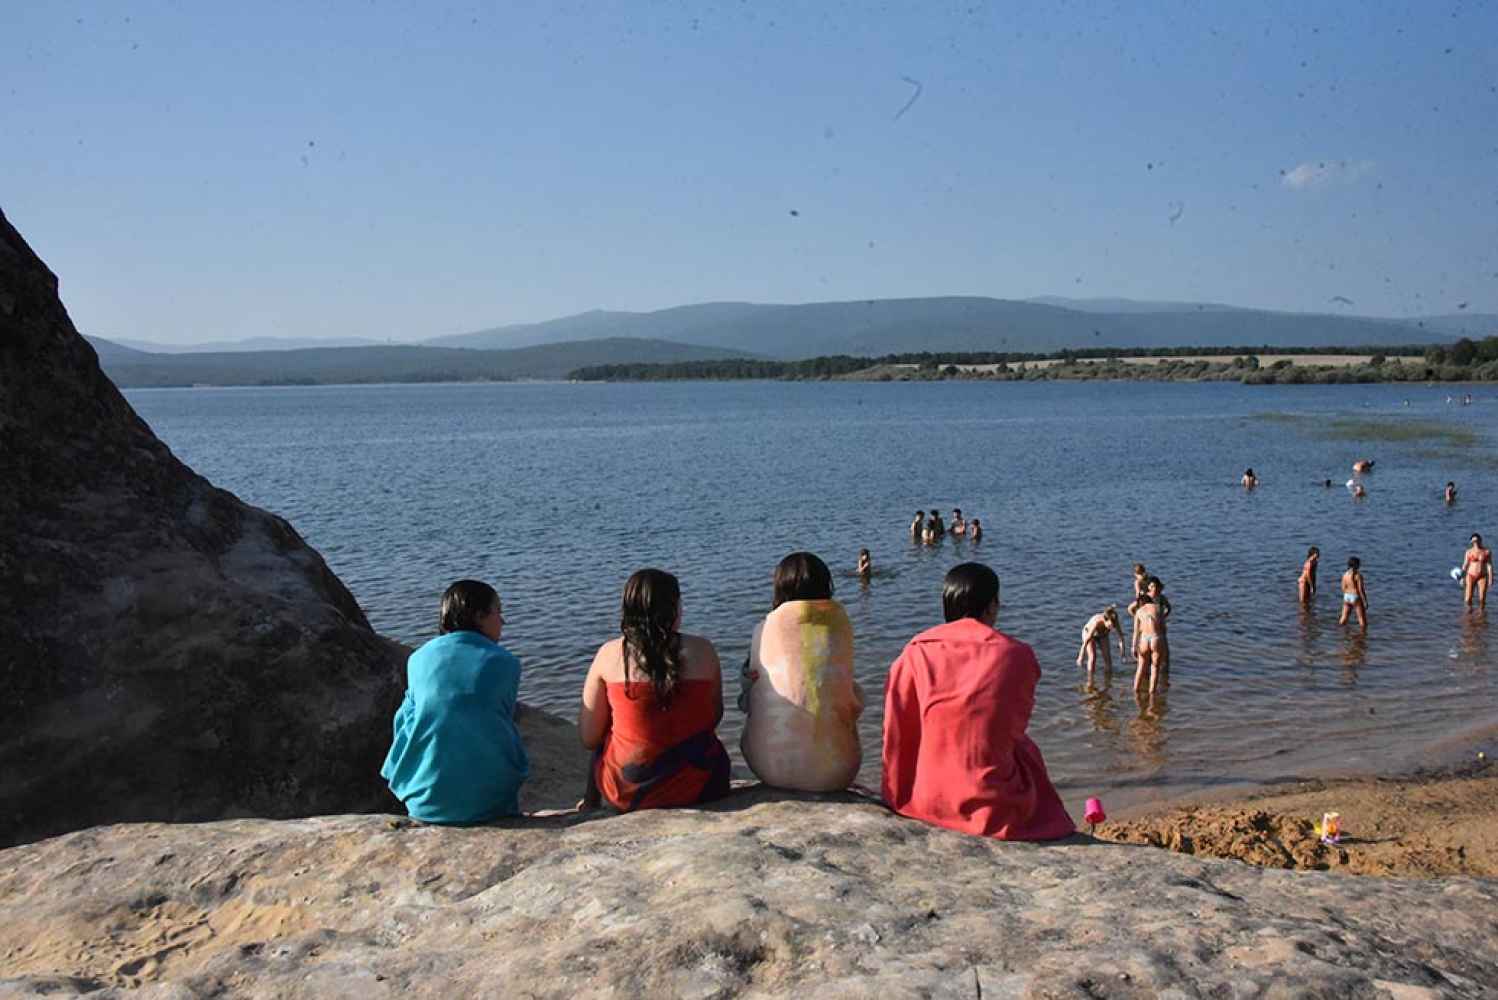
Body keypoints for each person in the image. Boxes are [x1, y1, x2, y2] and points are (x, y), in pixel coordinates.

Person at [881, 563, 1074, 841]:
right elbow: (1012, 728)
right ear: (992, 605)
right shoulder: (1016, 655)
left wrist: (896, 792)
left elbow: (897, 732)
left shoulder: (915, 651)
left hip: (927, 797)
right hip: (992, 806)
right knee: (1026, 750)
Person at [578, 568, 730, 812]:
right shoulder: (703, 650)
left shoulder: (609, 655)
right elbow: (714, 716)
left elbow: (588, 737)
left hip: (630, 792)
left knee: (607, 728)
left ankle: (590, 805)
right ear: (674, 608)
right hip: (704, 786)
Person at [380, 580, 528, 824]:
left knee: (411, 710)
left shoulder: (418, 658)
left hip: (424, 802)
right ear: (480, 616)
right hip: (491, 803)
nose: (503, 621)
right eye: (498, 612)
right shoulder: (506, 662)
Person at [739, 552, 865, 792]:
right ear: (827, 585)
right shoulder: (841, 625)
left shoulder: (763, 629)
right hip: (838, 773)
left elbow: (747, 702)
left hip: (768, 768)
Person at [1076, 605, 1126, 682]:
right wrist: (1081, 656)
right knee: (1092, 657)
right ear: (1105, 620)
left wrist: (1123, 654)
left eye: (1112, 626)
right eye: (1109, 626)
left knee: (1108, 658)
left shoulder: (1115, 621)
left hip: (1103, 635)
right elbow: (1086, 641)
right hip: (1089, 633)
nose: (1111, 628)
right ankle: (1090, 679)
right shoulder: (1097, 622)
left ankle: (1108, 680)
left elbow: (1121, 638)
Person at [1461, 533, 1493, 610]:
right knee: (1468, 598)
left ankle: (1481, 616)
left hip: (1482, 576)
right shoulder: (1469, 552)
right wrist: (1462, 578)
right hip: (1470, 575)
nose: (1476, 543)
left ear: (1480, 541)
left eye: (1477, 541)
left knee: (1482, 599)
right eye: (1474, 541)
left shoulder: (1486, 552)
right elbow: (1465, 565)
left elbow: (1489, 566)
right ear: (1471, 542)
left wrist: (1491, 578)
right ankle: (1468, 613)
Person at [1339, 557, 1369, 632]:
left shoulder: (1345, 575)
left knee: (1343, 618)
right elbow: (1360, 590)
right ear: (1356, 565)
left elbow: (1343, 588)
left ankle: (1340, 634)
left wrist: (1347, 593)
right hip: (1355, 596)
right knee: (1362, 620)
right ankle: (1363, 636)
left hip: (1346, 597)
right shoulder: (1358, 575)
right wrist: (1365, 601)